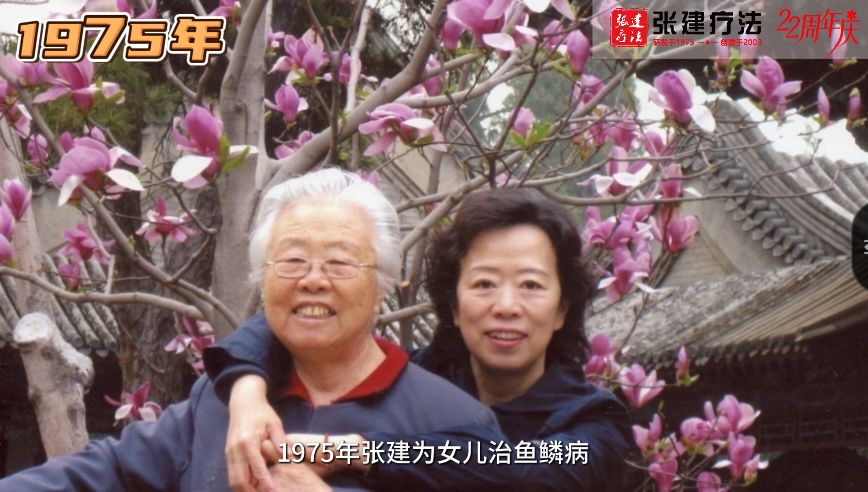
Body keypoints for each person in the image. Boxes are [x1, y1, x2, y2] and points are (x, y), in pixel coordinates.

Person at [0, 169, 498, 492]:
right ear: (263, 280)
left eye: (340, 263)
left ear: (382, 284)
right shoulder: (221, 400)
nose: (313, 280)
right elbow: (108, 470)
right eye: (292, 261)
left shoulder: (456, 422)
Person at [205, 187, 632, 492]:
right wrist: (247, 393)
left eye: (531, 286)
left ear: (562, 309)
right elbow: (303, 325)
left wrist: (357, 452)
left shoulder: (596, 422)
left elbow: (516, 466)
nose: (506, 306)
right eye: (483, 284)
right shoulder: (417, 379)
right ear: (453, 305)